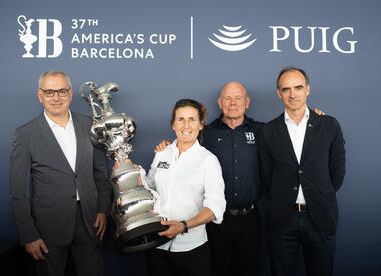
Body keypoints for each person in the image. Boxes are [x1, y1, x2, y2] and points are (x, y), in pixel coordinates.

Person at [10, 71, 112, 276]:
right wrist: (28, 235)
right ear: (40, 95)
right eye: (49, 92)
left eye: (62, 91)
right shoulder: (25, 135)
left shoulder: (90, 125)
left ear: (71, 94)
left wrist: (102, 209)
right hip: (48, 227)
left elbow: (100, 173)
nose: (56, 97)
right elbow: (18, 192)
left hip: (90, 221)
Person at [156, 82, 263, 276]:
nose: (232, 103)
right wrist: (164, 149)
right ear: (219, 102)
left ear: (247, 102)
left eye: (238, 98)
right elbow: (184, 142)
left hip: (249, 218)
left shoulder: (262, 131)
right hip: (215, 223)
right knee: (218, 269)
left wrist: (315, 118)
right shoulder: (207, 132)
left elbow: (286, 133)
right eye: (227, 98)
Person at [258, 66, 346, 276]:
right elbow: (266, 175)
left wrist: (319, 193)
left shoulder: (329, 125)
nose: (292, 94)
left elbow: (337, 172)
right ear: (279, 93)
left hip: (320, 217)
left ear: (308, 89)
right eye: (286, 89)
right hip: (282, 219)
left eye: (298, 87)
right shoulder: (268, 131)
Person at [145, 99, 226, 276]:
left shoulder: (208, 160)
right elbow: (149, 189)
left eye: (192, 119)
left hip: (192, 248)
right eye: (180, 119)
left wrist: (184, 225)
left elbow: (215, 207)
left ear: (201, 125)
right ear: (173, 124)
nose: (186, 125)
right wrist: (130, 173)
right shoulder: (161, 153)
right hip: (157, 245)